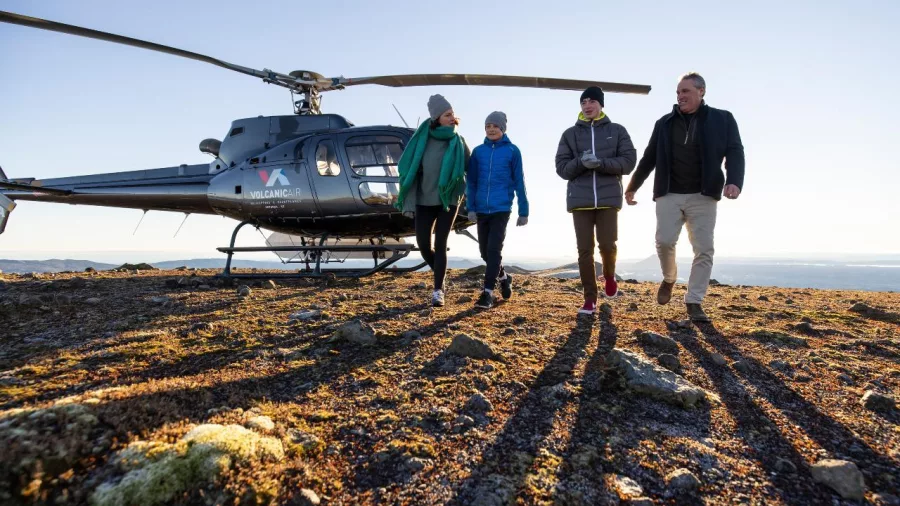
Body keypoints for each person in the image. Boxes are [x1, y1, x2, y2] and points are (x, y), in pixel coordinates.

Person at [625, 72, 745, 323]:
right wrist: (633, 185)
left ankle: (694, 301)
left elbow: (735, 151)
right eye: (678, 92)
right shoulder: (665, 123)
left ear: (701, 91)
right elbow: (649, 157)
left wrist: (734, 180)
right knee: (664, 241)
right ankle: (669, 278)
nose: (680, 96)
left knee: (703, 249)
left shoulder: (722, 119)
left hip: (704, 195)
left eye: (685, 91)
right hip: (669, 193)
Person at [555, 86, 636, 315]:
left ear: (601, 104)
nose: (587, 106)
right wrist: (581, 162)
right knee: (584, 250)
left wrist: (600, 163)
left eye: (592, 101)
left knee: (608, 245)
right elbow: (561, 168)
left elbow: (629, 162)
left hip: (608, 198)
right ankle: (589, 298)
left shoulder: (617, 130)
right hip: (580, 200)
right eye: (583, 102)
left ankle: (609, 276)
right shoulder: (570, 134)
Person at [396, 94, 470, 307]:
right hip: (424, 199)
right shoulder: (422, 139)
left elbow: (471, 166)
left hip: (448, 199)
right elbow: (409, 167)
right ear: (436, 117)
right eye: (447, 114)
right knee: (423, 245)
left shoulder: (458, 141)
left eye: (452, 114)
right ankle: (441, 274)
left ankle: (438, 290)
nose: (452, 118)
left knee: (441, 242)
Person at [466, 111, 529, 309]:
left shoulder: (512, 151)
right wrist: (471, 208)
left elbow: (520, 181)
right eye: (487, 126)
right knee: (485, 253)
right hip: (482, 210)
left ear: (502, 128)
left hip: (502, 208)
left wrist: (523, 210)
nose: (491, 129)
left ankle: (487, 293)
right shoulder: (478, 152)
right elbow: (472, 182)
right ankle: (504, 277)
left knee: (494, 250)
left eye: (495, 126)